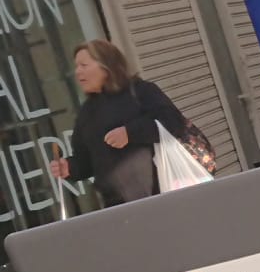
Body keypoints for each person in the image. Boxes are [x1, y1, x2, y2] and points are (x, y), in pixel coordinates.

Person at [48, 39, 187, 207]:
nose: (77, 72)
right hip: (117, 206)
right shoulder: (87, 113)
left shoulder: (140, 91)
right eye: (76, 66)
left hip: (162, 192)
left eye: (84, 65)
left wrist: (130, 133)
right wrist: (69, 167)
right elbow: (87, 161)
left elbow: (173, 122)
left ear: (106, 67)